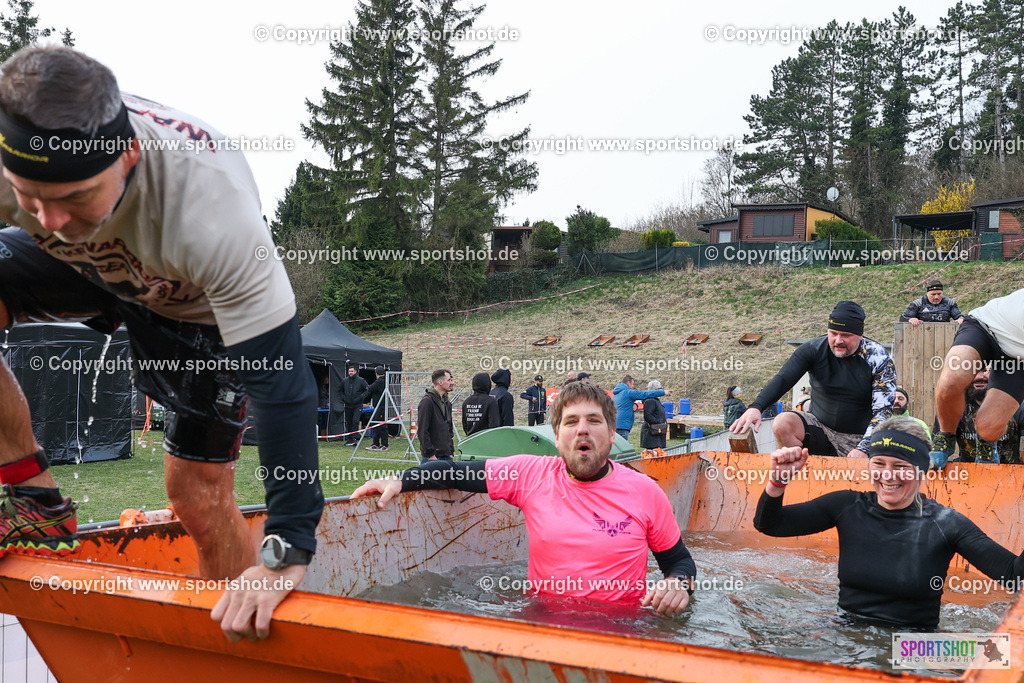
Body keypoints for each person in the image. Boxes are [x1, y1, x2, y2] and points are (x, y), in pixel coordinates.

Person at [0, 46, 321, 641]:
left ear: (128, 155)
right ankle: (35, 500)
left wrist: (286, 550)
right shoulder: (31, 190)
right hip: (89, 271)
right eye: (28, 197)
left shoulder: (212, 212)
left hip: (193, 307)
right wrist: (54, 206)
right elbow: (50, 213)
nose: (49, 220)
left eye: (75, 197)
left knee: (195, 496)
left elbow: (282, 386)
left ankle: (236, 656)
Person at [351, 380, 696, 615]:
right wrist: (402, 480)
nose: (583, 429)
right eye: (571, 422)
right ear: (557, 437)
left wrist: (678, 584)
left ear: (611, 433)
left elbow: (679, 562)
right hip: (543, 626)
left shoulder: (645, 492)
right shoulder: (531, 474)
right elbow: (455, 471)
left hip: (623, 633)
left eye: (594, 420)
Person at [753, 416, 1024, 630]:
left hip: (914, 646)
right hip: (845, 632)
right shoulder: (846, 506)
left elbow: (1015, 576)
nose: (887, 475)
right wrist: (778, 483)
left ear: (920, 469)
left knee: (995, 658)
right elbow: (771, 525)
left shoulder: (946, 523)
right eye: (878, 463)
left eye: (900, 466)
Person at [730, 301, 896, 458]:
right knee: (782, 423)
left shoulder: (878, 357)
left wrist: (864, 447)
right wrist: (756, 407)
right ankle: (791, 476)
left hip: (859, 437)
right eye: (834, 333)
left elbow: (883, 410)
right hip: (820, 427)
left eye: (846, 335)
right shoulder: (814, 349)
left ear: (860, 336)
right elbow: (784, 378)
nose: (838, 340)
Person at [932, 288, 1024, 467]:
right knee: (951, 380)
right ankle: (945, 435)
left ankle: (987, 444)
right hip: (987, 327)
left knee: (988, 428)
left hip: (1019, 358)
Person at [944, 369, 1024, 464]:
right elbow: (941, 447)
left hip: (1010, 475)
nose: (979, 377)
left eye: (986, 371)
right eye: (974, 371)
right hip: (967, 474)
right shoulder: (954, 407)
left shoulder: (1017, 406)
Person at [613, 375, 669, 440]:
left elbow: (623, 405)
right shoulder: (628, 392)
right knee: (622, 447)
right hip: (623, 426)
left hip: (614, 425)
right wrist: (663, 392)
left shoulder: (615, 395)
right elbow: (645, 394)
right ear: (628, 383)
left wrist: (635, 405)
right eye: (633, 384)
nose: (633, 387)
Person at [418, 369, 455, 463]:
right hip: (432, 458)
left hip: (447, 456)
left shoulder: (447, 403)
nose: (453, 382)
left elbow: (449, 429)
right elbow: (422, 431)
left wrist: (451, 451)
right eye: (449, 380)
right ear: (440, 382)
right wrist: (430, 454)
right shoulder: (427, 402)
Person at [900, 280, 964, 326]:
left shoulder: (950, 303)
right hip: (921, 336)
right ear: (927, 293)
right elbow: (903, 318)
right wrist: (910, 319)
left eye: (939, 294)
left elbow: (960, 317)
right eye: (933, 294)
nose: (936, 297)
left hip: (944, 335)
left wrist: (961, 319)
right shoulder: (918, 304)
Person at [462, 372, 500, 436]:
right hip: (486, 441)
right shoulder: (490, 401)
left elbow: (465, 425)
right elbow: (494, 425)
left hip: (470, 440)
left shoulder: (466, 402)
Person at [340, 365, 369, 447]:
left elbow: (367, 390)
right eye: (349, 371)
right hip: (348, 405)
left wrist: (360, 398)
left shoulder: (361, 381)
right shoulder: (344, 381)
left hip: (357, 405)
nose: (350, 373)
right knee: (348, 422)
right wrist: (344, 398)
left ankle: (355, 437)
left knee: (355, 421)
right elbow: (340, 391)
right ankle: (350, 439)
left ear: (355, 371)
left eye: (352, 371)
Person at [365, 366, 389, 452]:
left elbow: (370, 388)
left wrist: (365, 385)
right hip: (380, 407)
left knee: (382, 426)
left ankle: (384, 445)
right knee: (376, 425)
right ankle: (375, 444)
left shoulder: (379, 381)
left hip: (381, 407)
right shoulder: (385, 380)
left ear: (376, 373)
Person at [640, 381, 668, 450]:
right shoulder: (650, 401)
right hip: (652, 434)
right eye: (660, 388)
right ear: (655, 389)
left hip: (656, 432)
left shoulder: (655, 400)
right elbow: (648, 416)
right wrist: (659, 422)